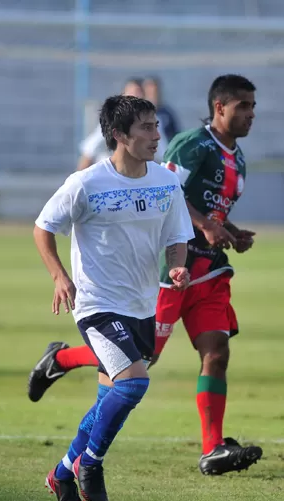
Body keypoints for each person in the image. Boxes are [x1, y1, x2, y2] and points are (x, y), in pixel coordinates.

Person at [28, 74, 264, 476]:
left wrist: (227, 230)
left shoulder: (236, 156)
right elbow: (170, 192)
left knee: (216, 353)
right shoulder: (192, 146)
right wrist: (205, 224)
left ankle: (212, 448)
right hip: (165, 274)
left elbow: (190, 205)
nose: (251, 114)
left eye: (253, 107)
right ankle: (62, 360)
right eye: (243, 106)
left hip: (206, 270)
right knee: (140, 362)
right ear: (220, 107)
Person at [35, 95, 193, 501]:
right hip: (96, 303)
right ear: (119, 135)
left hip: (143, 304)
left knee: (110, 399)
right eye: (145, 128)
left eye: (156, 126)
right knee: (135, 382)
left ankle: (62, 473)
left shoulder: (165, 181)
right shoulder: (86, 183)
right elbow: (43, 227)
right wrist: (58, 276)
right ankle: (91, 463)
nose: (156, 136)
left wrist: (177, 268)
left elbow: (178, 237)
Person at [76, 78, 168, 170]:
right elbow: (89, 151)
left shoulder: (152, 119)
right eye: (132, 92)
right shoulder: (113, 119)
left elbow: (162, 155)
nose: (135, 96)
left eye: (139, 92)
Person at [144, 76, 180, 143]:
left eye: (155, 91)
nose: (153, 94)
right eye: (150, 92)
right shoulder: (140, 113)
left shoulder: (167, 113)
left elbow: (176, 135)